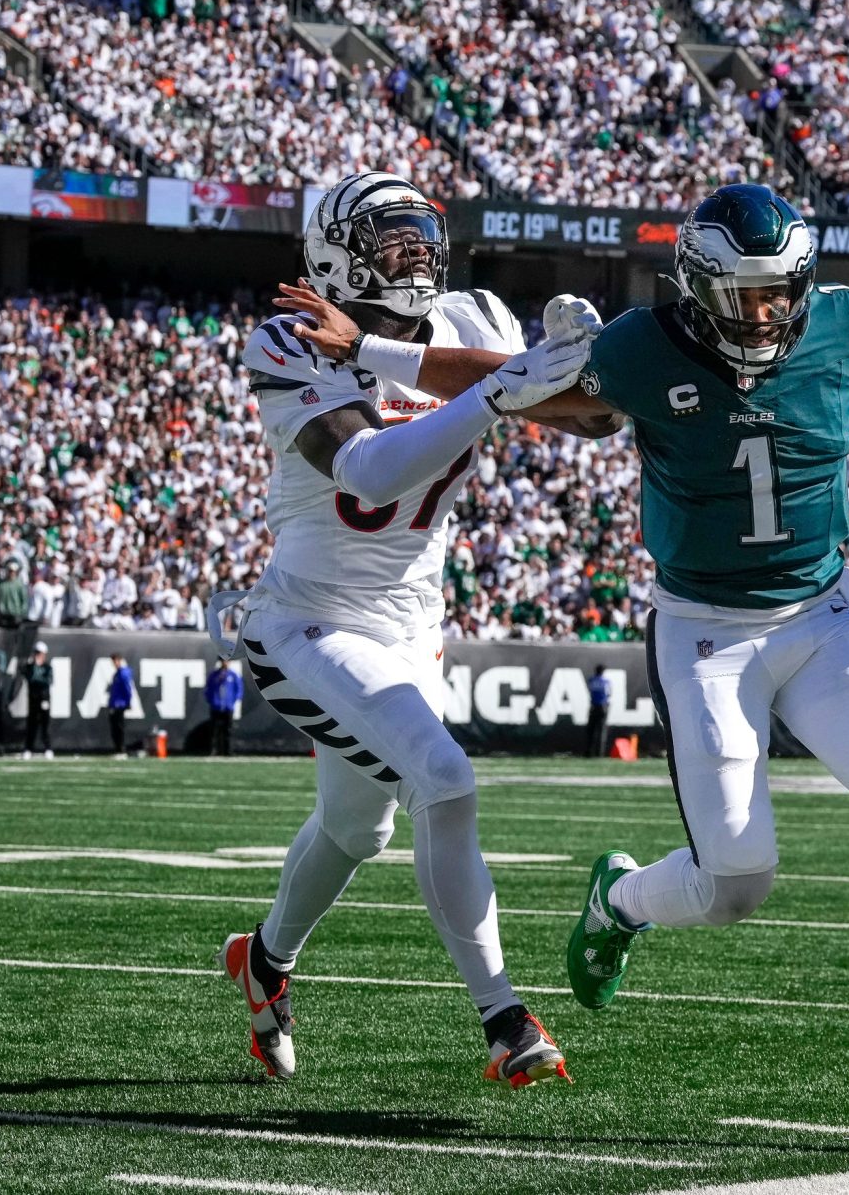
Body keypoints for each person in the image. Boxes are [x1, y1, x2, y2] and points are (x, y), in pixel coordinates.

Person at [283, 183, 849, 1129]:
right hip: (706, 633)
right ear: (698, 285)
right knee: (737, 883)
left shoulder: (842, 323)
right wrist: (376, 351)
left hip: (823, 615)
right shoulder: (643, 346)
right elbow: (528, 387)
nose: (765, 313)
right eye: (743, 294)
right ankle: (619, 902)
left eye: (780, 292)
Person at [214, 169, 602, 1087]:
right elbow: (368, 471)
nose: (416, 256)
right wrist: (501, 395)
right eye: (393, 242)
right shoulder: (289, 335)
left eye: (423, 238)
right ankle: (506, 1019)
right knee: (446, 777)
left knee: (357, 829)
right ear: (338, 254)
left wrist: (588, 364)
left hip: (413, 623)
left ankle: (265, 961)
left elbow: (593, 416)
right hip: (307, 617)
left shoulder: (471, 321)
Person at [205, 657, 243, 757]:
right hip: (216, 707)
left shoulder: (233, 675)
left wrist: (233, 701)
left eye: (226, 661)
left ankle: (228, 751)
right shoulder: (214, 675)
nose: (225, 663)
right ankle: (213, 750)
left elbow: (238, 689)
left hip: (228, 707)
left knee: (228, 730)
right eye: (223, 661)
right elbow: (208, 689)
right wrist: (212, 701)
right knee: (214, 730)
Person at [23, 641, 54, 756]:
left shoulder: (47, 667)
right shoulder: (30, 667)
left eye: (40, 653)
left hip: (44, 698)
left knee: (45, 724)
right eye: (36, 653)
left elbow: (48, 681)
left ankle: (48, 748)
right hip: (33, 698)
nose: (38, 655)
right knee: (32, 724)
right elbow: (30, 679)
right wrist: (35, 667)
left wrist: (37, 677)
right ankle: (28, 749)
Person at [106, 654, 134, 755]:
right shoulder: (116, 674)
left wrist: (127, 702)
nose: (114, 663)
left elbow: (127, 689)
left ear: (120, 661)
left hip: (120, 704)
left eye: (116, 661)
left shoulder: (123, 673)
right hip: (114, 704)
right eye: (113, 661)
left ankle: (121, 749)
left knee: (119, 728)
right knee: (114, 728)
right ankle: (117, 749)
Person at [586, 664, 612, 758]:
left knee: (591, 730)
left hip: (594, 706)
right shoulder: (606, 681)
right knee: (602, 731)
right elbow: (609, 693)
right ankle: (600, 753)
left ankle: (589, 752)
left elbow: (590, 690)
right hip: (603, 707)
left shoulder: (592, 680)